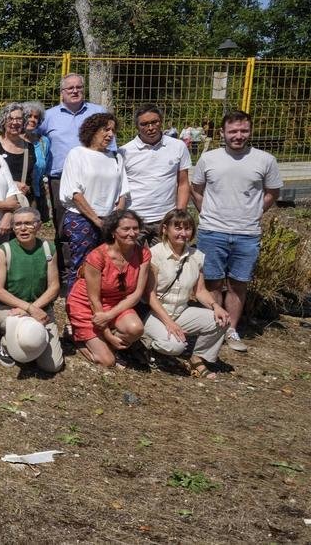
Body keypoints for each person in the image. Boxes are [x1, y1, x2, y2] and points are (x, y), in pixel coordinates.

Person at [191, 110, 282, 353]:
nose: (238, 136)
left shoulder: (265, 160)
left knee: (237, 285)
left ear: (250, 132)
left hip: (247, 233)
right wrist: (207, 213)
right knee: (211, 282)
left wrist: (254, 212)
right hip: (212, 231)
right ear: (223, 133)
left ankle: (231, 329)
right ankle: (213, 329)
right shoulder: (209, 159)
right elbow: (196, 189)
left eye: (243, 131)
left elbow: (272, 192)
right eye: (233, 131)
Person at [143, 209, 230, 377]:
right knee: (176, 347)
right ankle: (146, 343)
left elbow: (200, 291)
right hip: (155, 313)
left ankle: (197, 358)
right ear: (165, 229)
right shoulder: (155, 254)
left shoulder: (196, 256)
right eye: (177, 228)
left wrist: (216, 306)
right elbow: (150, 296)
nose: (183, 233)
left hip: (180, 310)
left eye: (188, 228)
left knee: (222, 320)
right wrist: (169, 322)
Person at [65, 209, 151, 368]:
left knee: (136, 329)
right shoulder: (97, 256)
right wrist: (106, 334)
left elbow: (137, 293)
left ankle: (107, 341)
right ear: (113, 232)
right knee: (107, 361)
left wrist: (109, 315)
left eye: (135, 228)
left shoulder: (143, 254)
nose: (131, 233)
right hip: (87, 305)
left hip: (116, 303)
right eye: (125, 229)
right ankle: (79, 339)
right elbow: (94, 299)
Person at [58, 112, 129, 290]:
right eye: (106, 129)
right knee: (82, 266)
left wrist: (115, 219)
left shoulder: (116, 157)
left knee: (107, 266)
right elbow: (75, 193)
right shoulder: (77, 154)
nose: (110, 134)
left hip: (109, 221)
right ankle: (76, 309)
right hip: (82, 220)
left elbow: (123, 192)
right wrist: (96, 220)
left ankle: (101, 306)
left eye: (113, 130)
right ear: (92, 131)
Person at [39, 73, 110, 243]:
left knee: (99, 221)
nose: (75, 91)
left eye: (79, 87)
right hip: (60, 179)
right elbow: (33, 139)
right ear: (62, 92)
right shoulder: (48, 116)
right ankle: (66, 267)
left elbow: (110, 142)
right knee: (64, 226)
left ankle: (97, 263)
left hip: (95, 177)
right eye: (70, 88)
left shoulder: (98, 112)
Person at [0, 207, 63, 372]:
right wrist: (28, 308)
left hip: (40, 307)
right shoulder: (4, 251)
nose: (23, 228)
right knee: (26, 340)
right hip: (11, 309)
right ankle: (7, 343)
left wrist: (34, 308)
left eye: (28, 224)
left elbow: (54, 286)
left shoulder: (48, 248)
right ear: (13, 227)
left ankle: (27, 342)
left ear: (38, 226)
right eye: (18, 224)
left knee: (53, 366)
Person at [119, 104, 191, 241]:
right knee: (130, 262)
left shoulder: (178, 147)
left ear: (161, 121)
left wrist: (179, 214)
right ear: (137, 126)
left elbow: (183, 183)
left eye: (154, 122)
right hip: (133, 220)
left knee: (164, 261)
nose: (150, 128)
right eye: (144, 124)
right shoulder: (124, 152)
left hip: (165, 219)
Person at [0, 102, 34, 200]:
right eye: (10, 119)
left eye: (19, 119)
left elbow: (31, 177)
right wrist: (13, 184)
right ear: (3, 122)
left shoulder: (29, 148)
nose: (15, 122)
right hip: (0, 199)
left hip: (22, 201)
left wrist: (28, 187)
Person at [20, 100, 50, 221]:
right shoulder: (14, 140)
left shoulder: (43, 142)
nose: (33, 119)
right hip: (19, 193)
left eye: (36, 117)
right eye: (28, 116)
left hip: (37, 194)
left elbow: (45, 166)